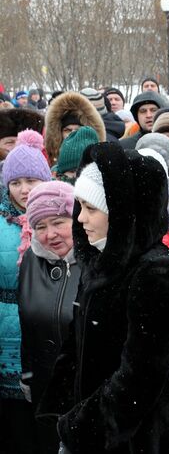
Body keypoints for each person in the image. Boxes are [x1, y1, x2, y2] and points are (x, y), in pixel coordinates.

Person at [37, 142, 169, 453]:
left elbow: (140, 377)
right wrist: (60, 405)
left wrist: (81, 428)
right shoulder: (101, 259)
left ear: (123, 214)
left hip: (131, 438)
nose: (80, 218)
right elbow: (77, 340)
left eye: (91, 209)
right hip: (89, 427)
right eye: (80, 205)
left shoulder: (156, 273)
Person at [17, 182, 80, 452]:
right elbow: (27, 325)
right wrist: (28, 375)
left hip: (86, 393)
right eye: (40, 226)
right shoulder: (31, 259)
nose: (50, 234)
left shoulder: (100, 261)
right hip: (45, 392)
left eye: (58, 222)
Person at [0, 137, 51, 454]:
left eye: (31, 180)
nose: (23, 189)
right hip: (6, 332)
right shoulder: (3, 223)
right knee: (13, 424)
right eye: (15, 182)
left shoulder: (62, 218)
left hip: (45, 328)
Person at [44, 91, 107, 166]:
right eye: (67, 130)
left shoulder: (98, 165)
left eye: (78, 130)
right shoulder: (48, 165)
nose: (73, 133)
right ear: (58, 134)